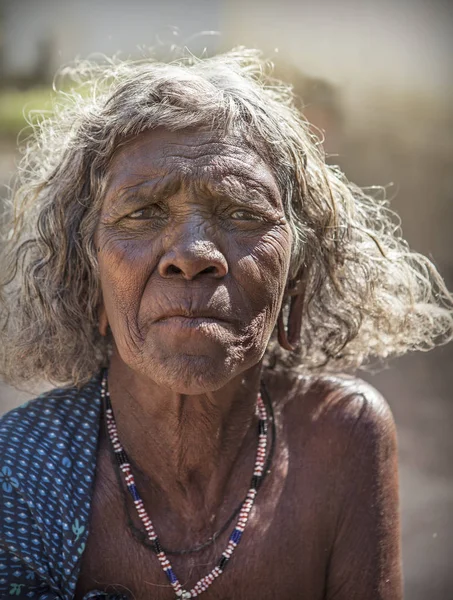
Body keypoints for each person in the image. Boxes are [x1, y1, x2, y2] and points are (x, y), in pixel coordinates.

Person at [0, 48, 452, 600]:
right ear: (89, 282)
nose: (191, 254)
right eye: (142, 212)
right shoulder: (18, 470)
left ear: (298, 282)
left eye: (242, 212)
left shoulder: (343, 438)